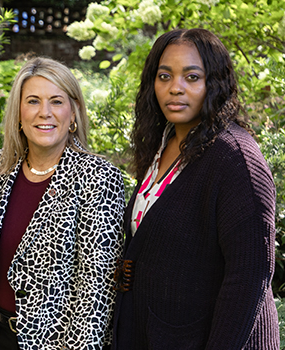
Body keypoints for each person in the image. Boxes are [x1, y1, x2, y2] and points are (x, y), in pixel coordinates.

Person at [111, 28, 279, 349]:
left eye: (192, 77)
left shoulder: (235, 158)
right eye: (164, 76)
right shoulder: (164, 143)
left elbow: (249, 277)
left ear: (214, 84)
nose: (176, 88)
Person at [0, 57, 125, 349]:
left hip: (56, 344)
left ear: (73, 114)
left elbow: (97, 291)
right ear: (18, 113)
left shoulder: (98, 177)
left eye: (56, 102)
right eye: (33, 101)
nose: (45, 113)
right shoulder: (0, 169)